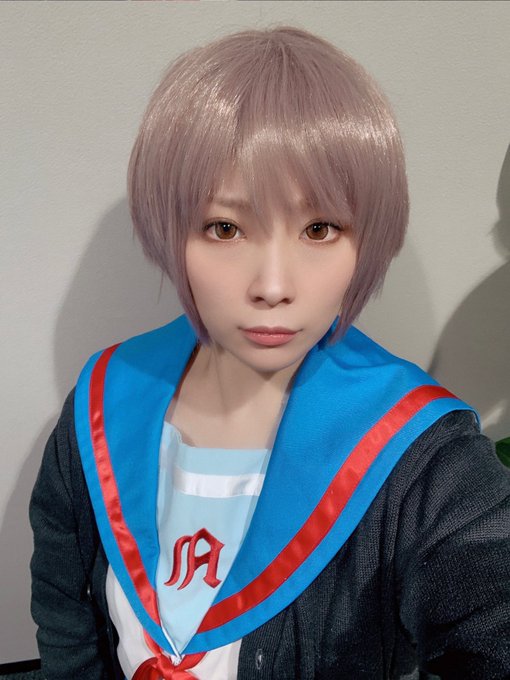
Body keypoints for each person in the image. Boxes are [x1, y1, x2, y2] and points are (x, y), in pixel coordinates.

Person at [30, 27, 510, 679]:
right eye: (225, 227)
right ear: (172, 230)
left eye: (320, 228)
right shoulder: (104, 399)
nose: (273, 286)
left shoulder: (423, 457)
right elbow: (64, 611)